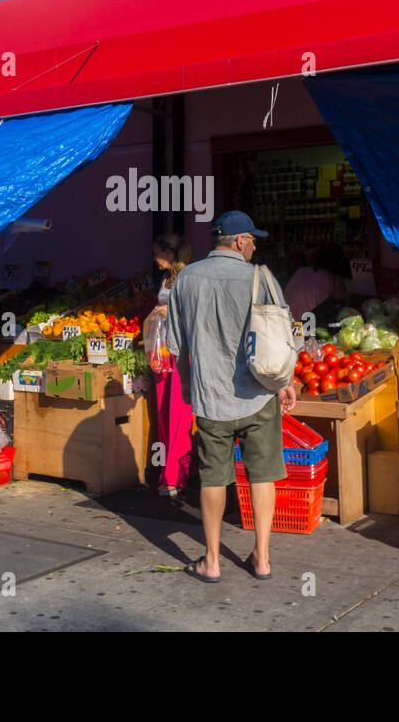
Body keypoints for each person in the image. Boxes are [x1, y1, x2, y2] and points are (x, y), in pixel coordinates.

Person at [166, 211, 296, 583]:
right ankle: (263, 559)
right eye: (253, 240)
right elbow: (283, 338)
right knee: (262, 476)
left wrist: (189, 384)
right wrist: (286, 382)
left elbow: (178, 346)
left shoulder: (186, 279)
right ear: (239, 241)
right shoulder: (262, 278)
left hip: (211, 399)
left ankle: (212, 561)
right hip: (259, 396)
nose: (255, 246)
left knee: (212, 479)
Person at [151, 233, 193, 498]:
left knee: (179, 413)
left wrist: (171, 311)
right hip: (163, 350)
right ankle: (166, 470)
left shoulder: (188, 277)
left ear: (169, 253)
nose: (154, 258)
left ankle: (177, 477)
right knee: (163, 412)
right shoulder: (166, 279)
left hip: (182, 352)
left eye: (157, 252)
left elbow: (195, 312)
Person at [284, 242, 349, 321]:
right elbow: (342, 302)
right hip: (310, 326)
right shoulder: (333, 279)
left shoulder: (301, 271)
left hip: (289, 322)